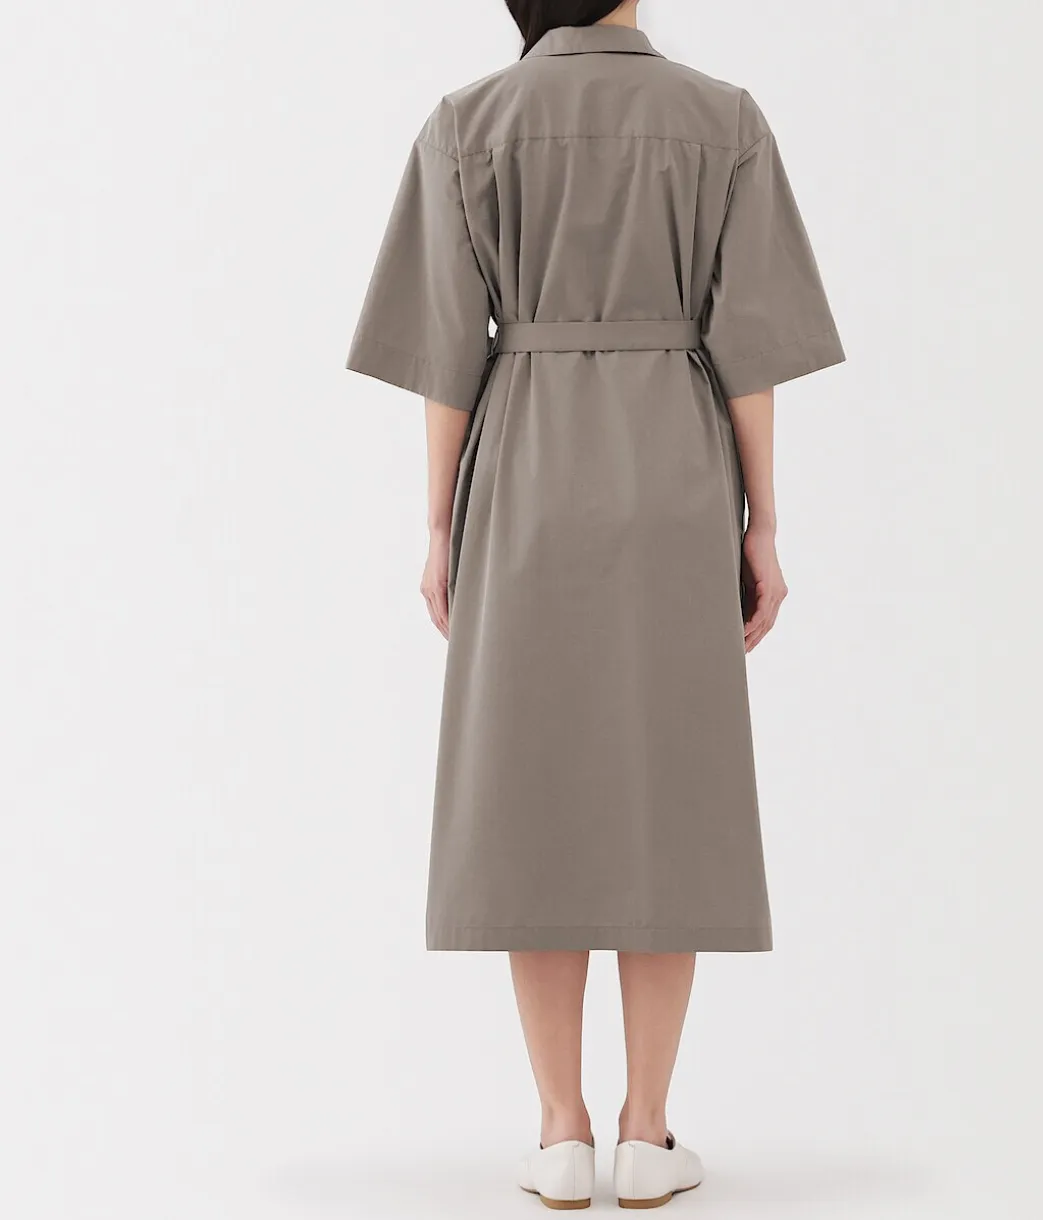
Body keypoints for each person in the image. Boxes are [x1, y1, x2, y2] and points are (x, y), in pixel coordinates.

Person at [346, 0, 844, 1208]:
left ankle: (560, 1127)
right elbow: (749, 351)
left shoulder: (467, 123)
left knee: (535, 794)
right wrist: (762, 520)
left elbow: (446, 355)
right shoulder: (722, 120)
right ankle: (646, 1130)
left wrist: (438, 523)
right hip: (674, 468)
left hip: (522, 469)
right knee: (664, 795)